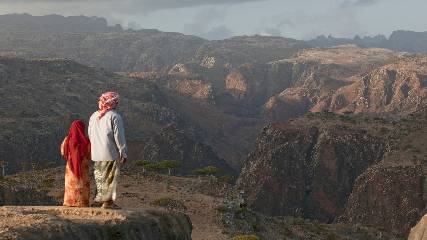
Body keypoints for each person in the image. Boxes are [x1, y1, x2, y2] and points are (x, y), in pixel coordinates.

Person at [88, 91, 127, 209]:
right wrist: (123, 152)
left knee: (99, 176)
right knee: (110, 177)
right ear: (113, 102)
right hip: (110, 152)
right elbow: (119, 137)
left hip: (96, 152)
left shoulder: (94, 116)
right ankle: (108, 203)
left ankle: (98, 201)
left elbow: (90, 134)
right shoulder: (115, 116)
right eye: (116, 101)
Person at [60, 120, 91, 207]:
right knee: (82, 184)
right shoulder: (86, 141)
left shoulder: (67, 140)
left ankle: (70, 202)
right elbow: (90, 155)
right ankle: (82, 202)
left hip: (70, 168)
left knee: (70, 185)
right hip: (83, 168)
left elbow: (63, 151)